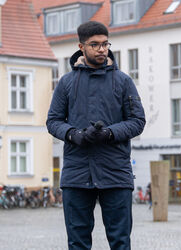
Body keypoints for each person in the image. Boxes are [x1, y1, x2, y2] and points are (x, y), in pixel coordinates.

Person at [46, 21, 145, 250]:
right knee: (77, 243)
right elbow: (53, 121)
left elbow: (137, 121)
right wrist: (75, 135)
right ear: (81, 47)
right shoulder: (67, 83)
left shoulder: (123, 81)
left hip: (116, 173)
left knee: (120, 242)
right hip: (77, 174)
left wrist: (110, 133)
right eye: (95, 45)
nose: (102, 49)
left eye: (105, 44)